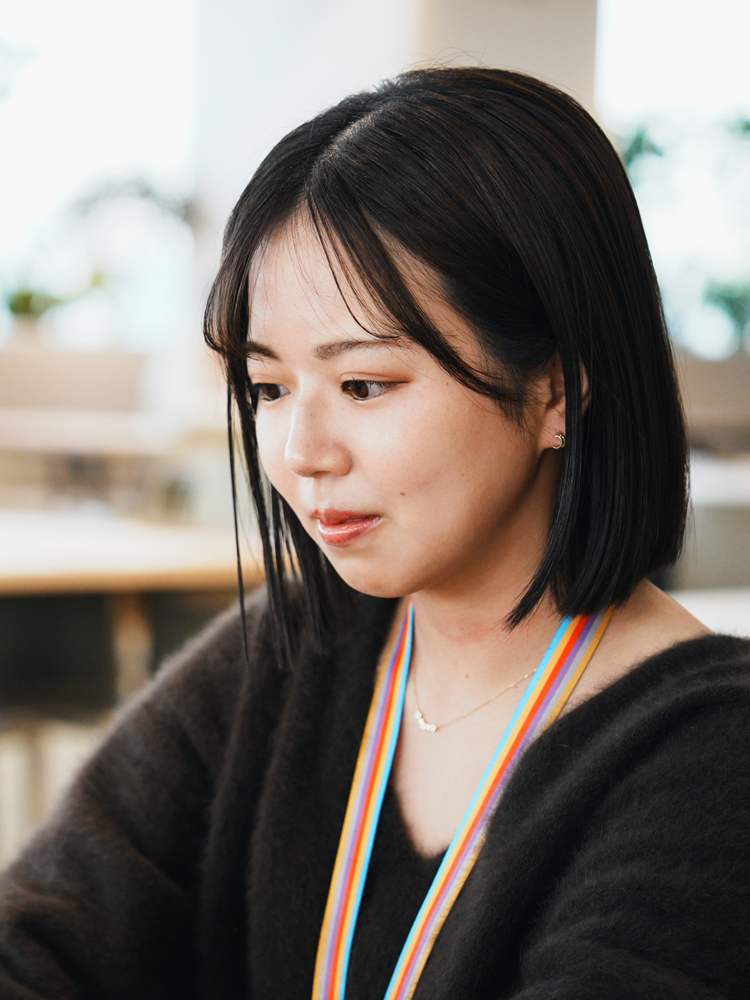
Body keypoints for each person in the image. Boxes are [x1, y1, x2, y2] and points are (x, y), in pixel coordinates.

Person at [1, 67, 749, 1000]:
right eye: (268, 389)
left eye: (365, 385)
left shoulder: (710, 758)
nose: (301, 453)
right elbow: (39, 942)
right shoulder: (287, 653)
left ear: (559, 386)